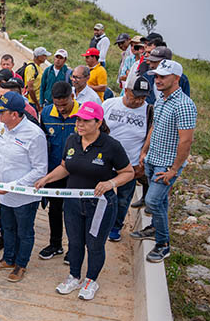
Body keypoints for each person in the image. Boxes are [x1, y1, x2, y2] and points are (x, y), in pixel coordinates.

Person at [35, 102, 134, 300]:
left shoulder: (111, 146)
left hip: (100, 205)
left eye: (85, 121)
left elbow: (128, 172)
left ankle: (91, 280)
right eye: (78, 119)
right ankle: (74, 276)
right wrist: (47, 179)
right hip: (73, 203)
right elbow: (65, 167)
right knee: (75, 242)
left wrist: (111, 183)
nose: (79, 124)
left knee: (94, 244)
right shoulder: (72, 140)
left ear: (98, 122)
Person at [132, 60, 196, 262]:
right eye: (156, 76)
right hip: (153, 158)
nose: (157, 80)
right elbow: (155, 126)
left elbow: (186, 141)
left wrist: (173, 169)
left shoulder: (184, 105)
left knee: (152, 201)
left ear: (176, 78)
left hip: (167, 164)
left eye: (162, 77)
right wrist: (145, 151)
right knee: (161, 200)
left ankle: (163, 244)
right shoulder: (161, 99)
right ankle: (154, 228)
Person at [0, 92, 47, 282]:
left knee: (24, 232)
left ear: (15, 114)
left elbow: (40, 170)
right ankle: (8, 259)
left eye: (1, 112)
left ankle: (21, 264)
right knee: (7, 228)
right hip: (4, 193)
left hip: (24, 196)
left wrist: (12, 186)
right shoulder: (2, 127)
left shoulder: (34, 134)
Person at [103, 77, 154, 242]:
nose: (139, 101)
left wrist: (142, 161)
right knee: (101, 195)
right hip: (104, 162)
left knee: (123, 199)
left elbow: (150, 137)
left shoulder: (149, 111)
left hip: (129, 165)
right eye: (136, 96)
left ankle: (115, 227)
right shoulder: (109, 104)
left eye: (143, 97)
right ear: (126, 90)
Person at [38, 81, 80, 260]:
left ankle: (74, 249)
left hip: (77, 174)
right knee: (54, 210)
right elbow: (42, 141)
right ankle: (55, 244)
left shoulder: (83, 114)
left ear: (72, 97)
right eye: (57, 105)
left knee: (73, 212)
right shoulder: (46, 114)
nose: (61, 109)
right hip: (54, 171)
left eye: (65, 105)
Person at [22, 46, 49, 112]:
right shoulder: (31, 68)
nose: (46, 58)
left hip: (38, 101)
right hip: (32, 102)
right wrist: (37, 104)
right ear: (39, 57)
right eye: (44, 56)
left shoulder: (38, 67)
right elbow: (30, 88)